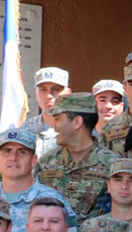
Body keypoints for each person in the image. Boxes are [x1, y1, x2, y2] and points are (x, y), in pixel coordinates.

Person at [36, 92, 120, 222]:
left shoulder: (112, 165)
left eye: (57, 118)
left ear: (77, 122)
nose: (53, 125)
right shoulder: (46, 162)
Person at [16, 67, 71, 158]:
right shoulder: (25, 130)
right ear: (36, 95)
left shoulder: (79, 130)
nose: (49, 96)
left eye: (56, 89)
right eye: (43, 90)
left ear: (68, 94)